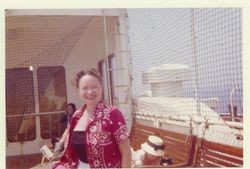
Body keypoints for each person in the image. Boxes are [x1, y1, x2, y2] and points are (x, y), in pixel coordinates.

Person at [52, 68, 132, 169]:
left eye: (94, 87)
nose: (90, 92)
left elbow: (126, 153)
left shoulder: (113, 114)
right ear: (78, 91)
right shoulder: (76, 116)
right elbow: (71, 153)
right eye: (85, 88)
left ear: (101, 88)